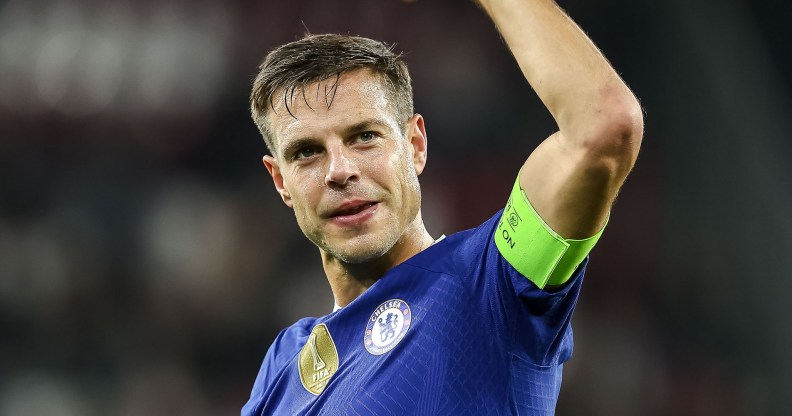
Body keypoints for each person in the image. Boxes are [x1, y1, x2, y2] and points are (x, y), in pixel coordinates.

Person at [243, 0, 643, 414]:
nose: (339, 171)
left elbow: (603, 128)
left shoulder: (493, 282)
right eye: (307, 152)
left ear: (415, 146)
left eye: (364, 137)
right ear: (280, 181)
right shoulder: (284, 363)